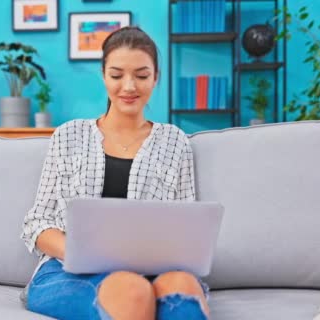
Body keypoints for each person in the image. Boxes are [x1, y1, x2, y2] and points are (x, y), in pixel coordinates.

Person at [20, 26, 209, 320]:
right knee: (131, 290)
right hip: (67, 272)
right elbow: (37, 223)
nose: (129, 86)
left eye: (142, 75)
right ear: (104, 75)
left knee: (182, 284)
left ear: (156, 77)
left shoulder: (175, 142)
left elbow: (184, 232)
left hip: (152, 270)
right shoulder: (69, 135)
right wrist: (83, 253)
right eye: (117, 75)